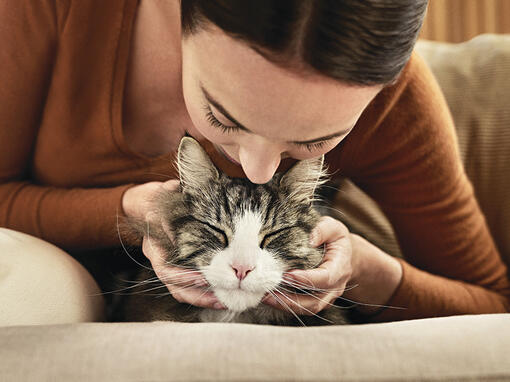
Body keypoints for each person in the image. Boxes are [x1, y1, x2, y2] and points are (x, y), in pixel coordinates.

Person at [0, 0, 508, 326]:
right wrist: (130, 211)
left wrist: (364, 268)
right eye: (221, 120)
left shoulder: (396, 101)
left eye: (316, 141)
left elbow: (494, 305)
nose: (261, 171)